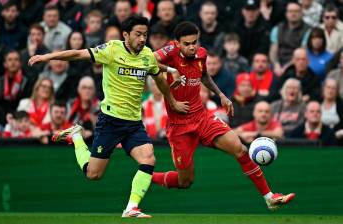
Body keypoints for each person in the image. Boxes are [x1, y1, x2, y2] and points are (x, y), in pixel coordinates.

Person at [28, 15, 187, 218]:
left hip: (133, 123)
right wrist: (47, 57)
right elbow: (78, 53)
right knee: (93, 174)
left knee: (148, 159)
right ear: (126, 34)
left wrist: (172, 101)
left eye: (145, 35)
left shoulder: (148, 55)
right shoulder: (111, 49)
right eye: (138, 34)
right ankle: (76, 136)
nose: (142, 39)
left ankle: (131, 208)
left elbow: (160, 79)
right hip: (110, 121)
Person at [152, 21, 294, 211]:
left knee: (241, 150)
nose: (192, 46)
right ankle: (147, 175)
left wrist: (221, 95)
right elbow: (148, 61)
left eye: (195, 41)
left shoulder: (201, 53)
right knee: (185, 181)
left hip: (202, 118)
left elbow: (204, 76)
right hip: (179, 126)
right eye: (187, 44)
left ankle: (269, 197)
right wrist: (171, 77)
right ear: (177, 43)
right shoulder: (169, 53)